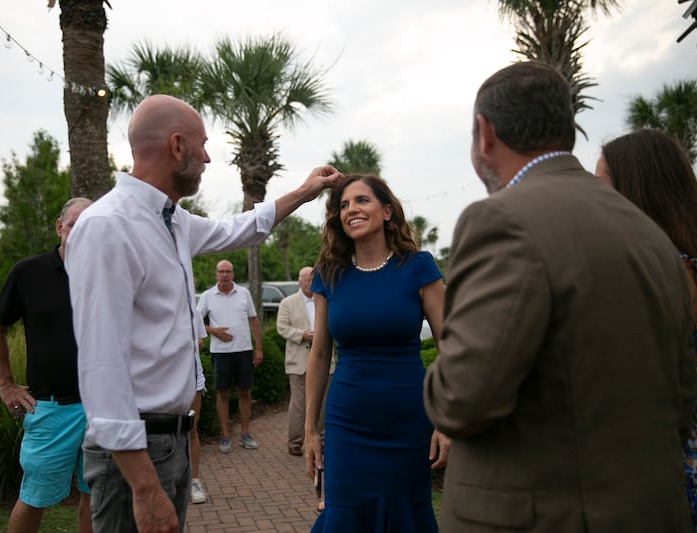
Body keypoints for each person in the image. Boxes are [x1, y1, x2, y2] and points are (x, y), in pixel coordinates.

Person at [423, 60, 697, 533]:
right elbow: (680, 395)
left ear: (485, 134)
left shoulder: (501, 220)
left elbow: (461, 400)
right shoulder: (644, 229)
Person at [65, 93, 343, 533]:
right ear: (177, 146)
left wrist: (307, 192)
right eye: (203, 144)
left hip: (172, 442)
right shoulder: (107, 228)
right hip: (134, 453)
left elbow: (242, 226)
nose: (208, 157)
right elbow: (101, 367)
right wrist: (142, 486)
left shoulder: (173, 221)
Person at [304, 174, 449, 532]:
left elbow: (452, 348)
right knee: (345, 512)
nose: (351, 209)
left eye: (362, 200)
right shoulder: (329, 274)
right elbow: (320, 355)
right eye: (343, 204)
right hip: (348, 421)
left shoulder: (419, 267)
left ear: (387, 211)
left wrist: (446, 421)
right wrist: (310, 430)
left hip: (409, 420)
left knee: (406, 512)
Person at [596, 128, 697, 532]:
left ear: (637, 191)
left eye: (601, 187)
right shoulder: (657, 264)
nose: (592, 201)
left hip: (665, 480)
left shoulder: (672, 270)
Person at [0, 197, 93, 533]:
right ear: (59, 227)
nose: (81, 231)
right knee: (34, 497)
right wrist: (6, 385)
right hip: (50, 410)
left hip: (102, 408)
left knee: (99, 496)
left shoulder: (108, 273)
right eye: (75, 223)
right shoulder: (29, 273)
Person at [197, 259, 263, 453]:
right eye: (221, 271)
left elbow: (253, 319)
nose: (225, 274)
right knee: (223, 393)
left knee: (245, 392)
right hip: (220, 353)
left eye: (228, 271)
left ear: (233, 274)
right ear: (216, 274)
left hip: (243, 350)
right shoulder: (208, 296)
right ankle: (225, 436)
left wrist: (259, 348)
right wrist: (213, 331)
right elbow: (195, 320)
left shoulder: (244, 293)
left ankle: (245, 434)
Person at [276, 266, 332, 457]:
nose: (309, 282)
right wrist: (302, 335)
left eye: (312, 279)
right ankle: (295, 441)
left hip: (326, 360)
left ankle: (321, 440)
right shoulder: (287, 303)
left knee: (324, 403)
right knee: (299, 404)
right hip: (298, 360)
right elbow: (282, 327)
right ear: (299, 281)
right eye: (306, 279)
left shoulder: (326, 299)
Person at [190, 318, 208, 504]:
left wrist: (196, 344)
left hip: (193, 379)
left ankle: (194, 481)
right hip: (163, 383)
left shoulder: (193, 311)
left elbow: (201, 342)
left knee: (191, 430)